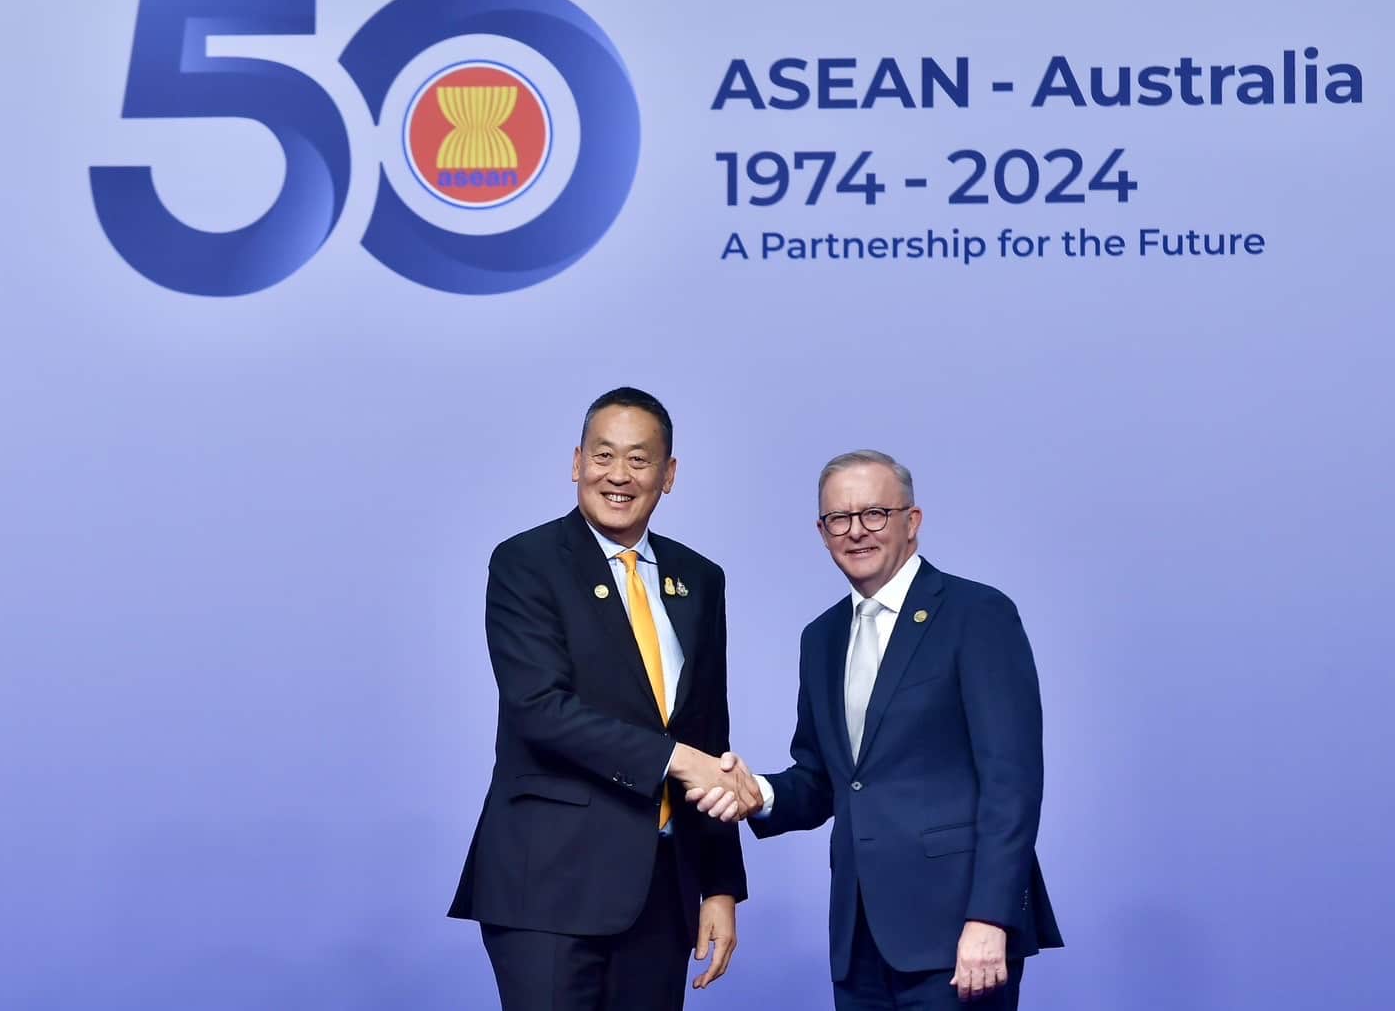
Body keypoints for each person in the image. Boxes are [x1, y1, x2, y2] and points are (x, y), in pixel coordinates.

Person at [691, 450, 1062, 1009]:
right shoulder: (821, 638)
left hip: (959, 935)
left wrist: (991, 917)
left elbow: (1011, 784)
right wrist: (756, 794)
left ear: (911, 521)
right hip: (858, 938)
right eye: (839, 519)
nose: (856, 531)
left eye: (875, 514)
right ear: (822, 532)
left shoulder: (976, 614)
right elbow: (824, 779)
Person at [449, 387, 756, 1011]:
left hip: (662, 890)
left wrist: (720, 886)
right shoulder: (526, 562)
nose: (618, 475)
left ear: (668, 476)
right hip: (549, 888)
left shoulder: (698, 578)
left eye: (639, 460)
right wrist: (676, 761)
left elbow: (707, 737)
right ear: (576, 462)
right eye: (603, 455)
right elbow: (540, 709)